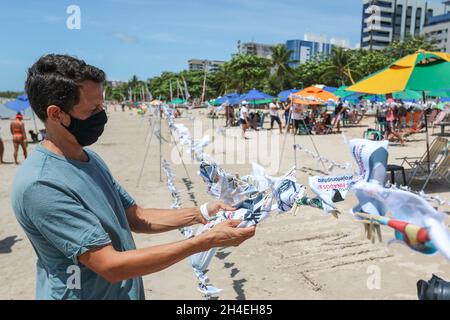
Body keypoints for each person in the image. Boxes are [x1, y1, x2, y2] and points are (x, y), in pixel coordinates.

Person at [11, 54, 256, 300]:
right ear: (56, 114)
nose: (101, 115)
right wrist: (205, 241)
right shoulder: (41, 184)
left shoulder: (89, 159)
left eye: (102, 105)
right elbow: (110, 265)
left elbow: (134, 216)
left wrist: (202, 213)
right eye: (93, 109)